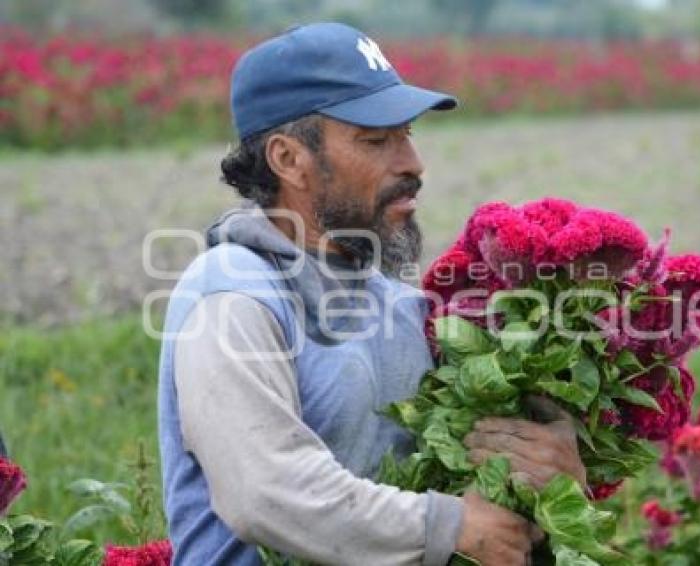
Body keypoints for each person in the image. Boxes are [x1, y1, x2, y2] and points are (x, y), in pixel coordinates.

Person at [158, 22, 586, 566]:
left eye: (407, 133)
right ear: (289, 159)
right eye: (376, 140)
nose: (412, 163)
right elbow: (265, 489)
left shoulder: (401, 306)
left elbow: (467, 475)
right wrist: (449, 525)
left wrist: (551, 469)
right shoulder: (233, 293)